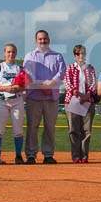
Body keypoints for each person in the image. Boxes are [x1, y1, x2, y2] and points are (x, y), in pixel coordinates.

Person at [23, 30, 66, 164]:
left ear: (49, 39)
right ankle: (31, 155)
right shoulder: (29, 56)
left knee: (49, 127)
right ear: (36, 40)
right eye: (40, 39)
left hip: (51, 98)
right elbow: (27, 75)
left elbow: (62, 73)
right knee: (32, 126)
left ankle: (48, 154)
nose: (43, 41)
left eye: (45, 38)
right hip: (34, 97)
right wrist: (43, 86)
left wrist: (51, 84)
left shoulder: (57, 56)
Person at [0, 43, 27, 164]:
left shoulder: (20, 69)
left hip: (17, 100)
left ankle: (18, 156)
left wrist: (17, 88)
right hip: (2, 100)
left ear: (16, 53)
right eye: (8, 52)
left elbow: (24, 85)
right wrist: (5, 89)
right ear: (4, 53)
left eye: (13, 52)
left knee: (18, 130)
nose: (11, 54)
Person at [64, 44, 97, 163]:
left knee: (86, 131)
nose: (81, 55)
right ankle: (76, 156)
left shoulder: (90, 68)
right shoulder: (70, 68)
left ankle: (84, 156)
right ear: (74, 55)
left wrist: (87, 95)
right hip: (72, 101)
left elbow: (93, 83)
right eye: (78, 53)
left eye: (83, 53)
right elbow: (68, 83)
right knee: (73, 130)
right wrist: (77, 94)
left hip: (87, 102)